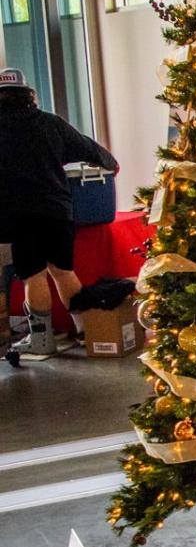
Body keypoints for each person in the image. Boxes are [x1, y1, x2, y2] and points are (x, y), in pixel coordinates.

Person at [0, 67, 119, 358]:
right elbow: (93, 151)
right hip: (58, 209)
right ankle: (87, 330)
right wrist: (110, 164)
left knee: (34, 274)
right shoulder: (50, 123)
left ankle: (41, 339)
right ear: (28, 94)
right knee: (63, 270)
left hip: (20, 213)